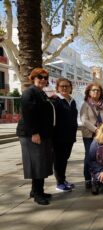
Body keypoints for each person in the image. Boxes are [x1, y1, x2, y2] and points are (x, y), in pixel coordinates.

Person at [16, 68, 55, 205]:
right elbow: (28, 115)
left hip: (42, 134)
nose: (43, 79)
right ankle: (38, 194)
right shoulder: (29, 93)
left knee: (41, 163)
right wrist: (34, 133)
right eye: (40, 77)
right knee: (37, 163)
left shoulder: (41, 93)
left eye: (45, 77)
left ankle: (36, 190)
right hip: (31, 134)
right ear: (33, 78)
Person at [80, 83, 103, 189]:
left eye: (98, 90)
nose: (96, 92)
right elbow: (84, 120)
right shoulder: (85, 105)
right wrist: (96, 130)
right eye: (93, 90)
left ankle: (101, 176)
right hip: (90, 135)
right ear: (89, 92)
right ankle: (88, 179)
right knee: (89, 156)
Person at [51, 78, 78, 192]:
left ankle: (63, 179)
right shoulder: (55, 101)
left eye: (67, 86)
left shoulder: (72, 101)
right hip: (58, 137)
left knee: (65, 159)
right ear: (57, 88)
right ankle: (59, 183)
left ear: (71, 88)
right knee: (59, 160)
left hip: (70, 136)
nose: (65, 88)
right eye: (62, 86)